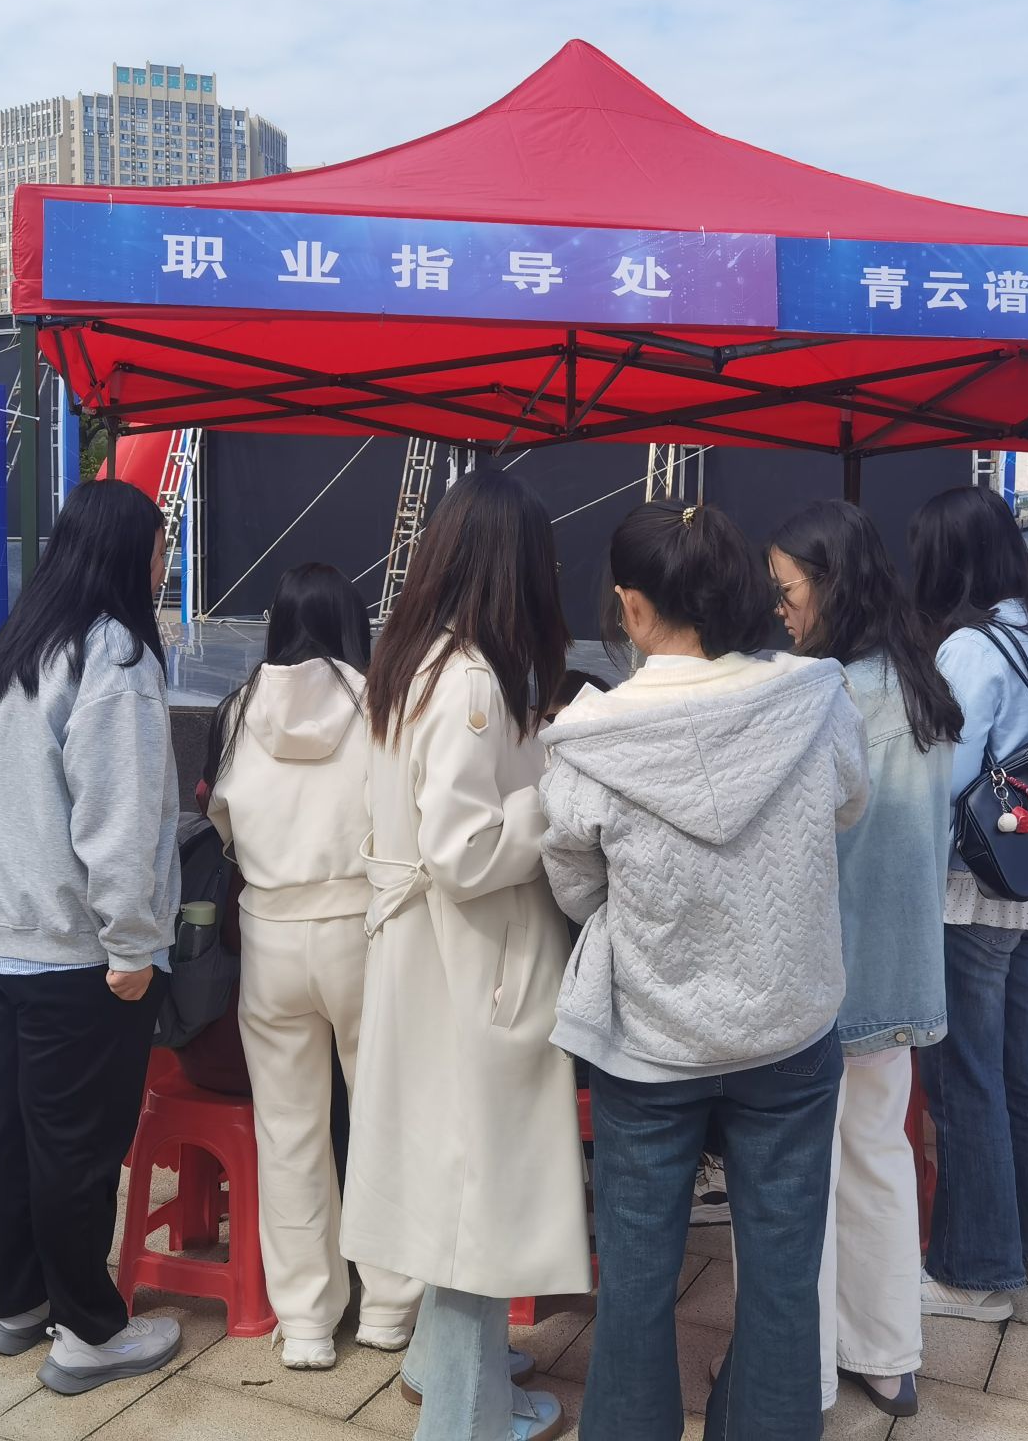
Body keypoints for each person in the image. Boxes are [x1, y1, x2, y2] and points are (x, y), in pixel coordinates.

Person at [541, 500, 869, 1441]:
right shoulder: (815, 702)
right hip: (789, 1027)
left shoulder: (593, 737)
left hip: (649, 1038)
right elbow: (847, 807)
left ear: (632, 608)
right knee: (783, 1277)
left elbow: (574, 883)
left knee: (637, 1280)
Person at [344, 470, 587, 1441]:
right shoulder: (474, 680)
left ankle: (448, 1367)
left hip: (424, 955)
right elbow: (465, 851)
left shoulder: (410, 661)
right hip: (471, 960)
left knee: (449, 1176)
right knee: (478, 1192)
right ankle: (466, 1414)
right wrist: (554, 787)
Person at [0, 480, 183, 1396]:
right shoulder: (114, 653)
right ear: (124, 553)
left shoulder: (24, 644)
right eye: (157, 550)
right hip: (69, 947)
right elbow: (117, 818)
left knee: (9, 1129)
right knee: (76, 1146)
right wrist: (131, 944)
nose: (161, 567)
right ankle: (89, 1331)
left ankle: (19, 1303)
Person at [769, 501, 962, 1420]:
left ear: (829, 586)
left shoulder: (830, 697)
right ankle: (887, 1356)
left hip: (830, 966)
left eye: (787, 590)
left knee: (803, 1173)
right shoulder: (921, 684)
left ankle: (800, 1373)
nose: (779, 609)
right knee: (882, 1155)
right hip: (905, 964)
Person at [204, 563, 423, 1370]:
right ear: (351, 625)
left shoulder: (236, 709)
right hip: (363, 930)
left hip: (269, 933)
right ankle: (390, 1307)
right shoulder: (382, 705)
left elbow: (223, 823)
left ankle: (304, 1322)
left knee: (288, 1132)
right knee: (384, 1118)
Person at [908, 484, 1028, 1323]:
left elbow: (944, 780)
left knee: (967, 1075)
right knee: (1026, 1062)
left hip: (974, 887)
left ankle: (975, 1271)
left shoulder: (970, 648)